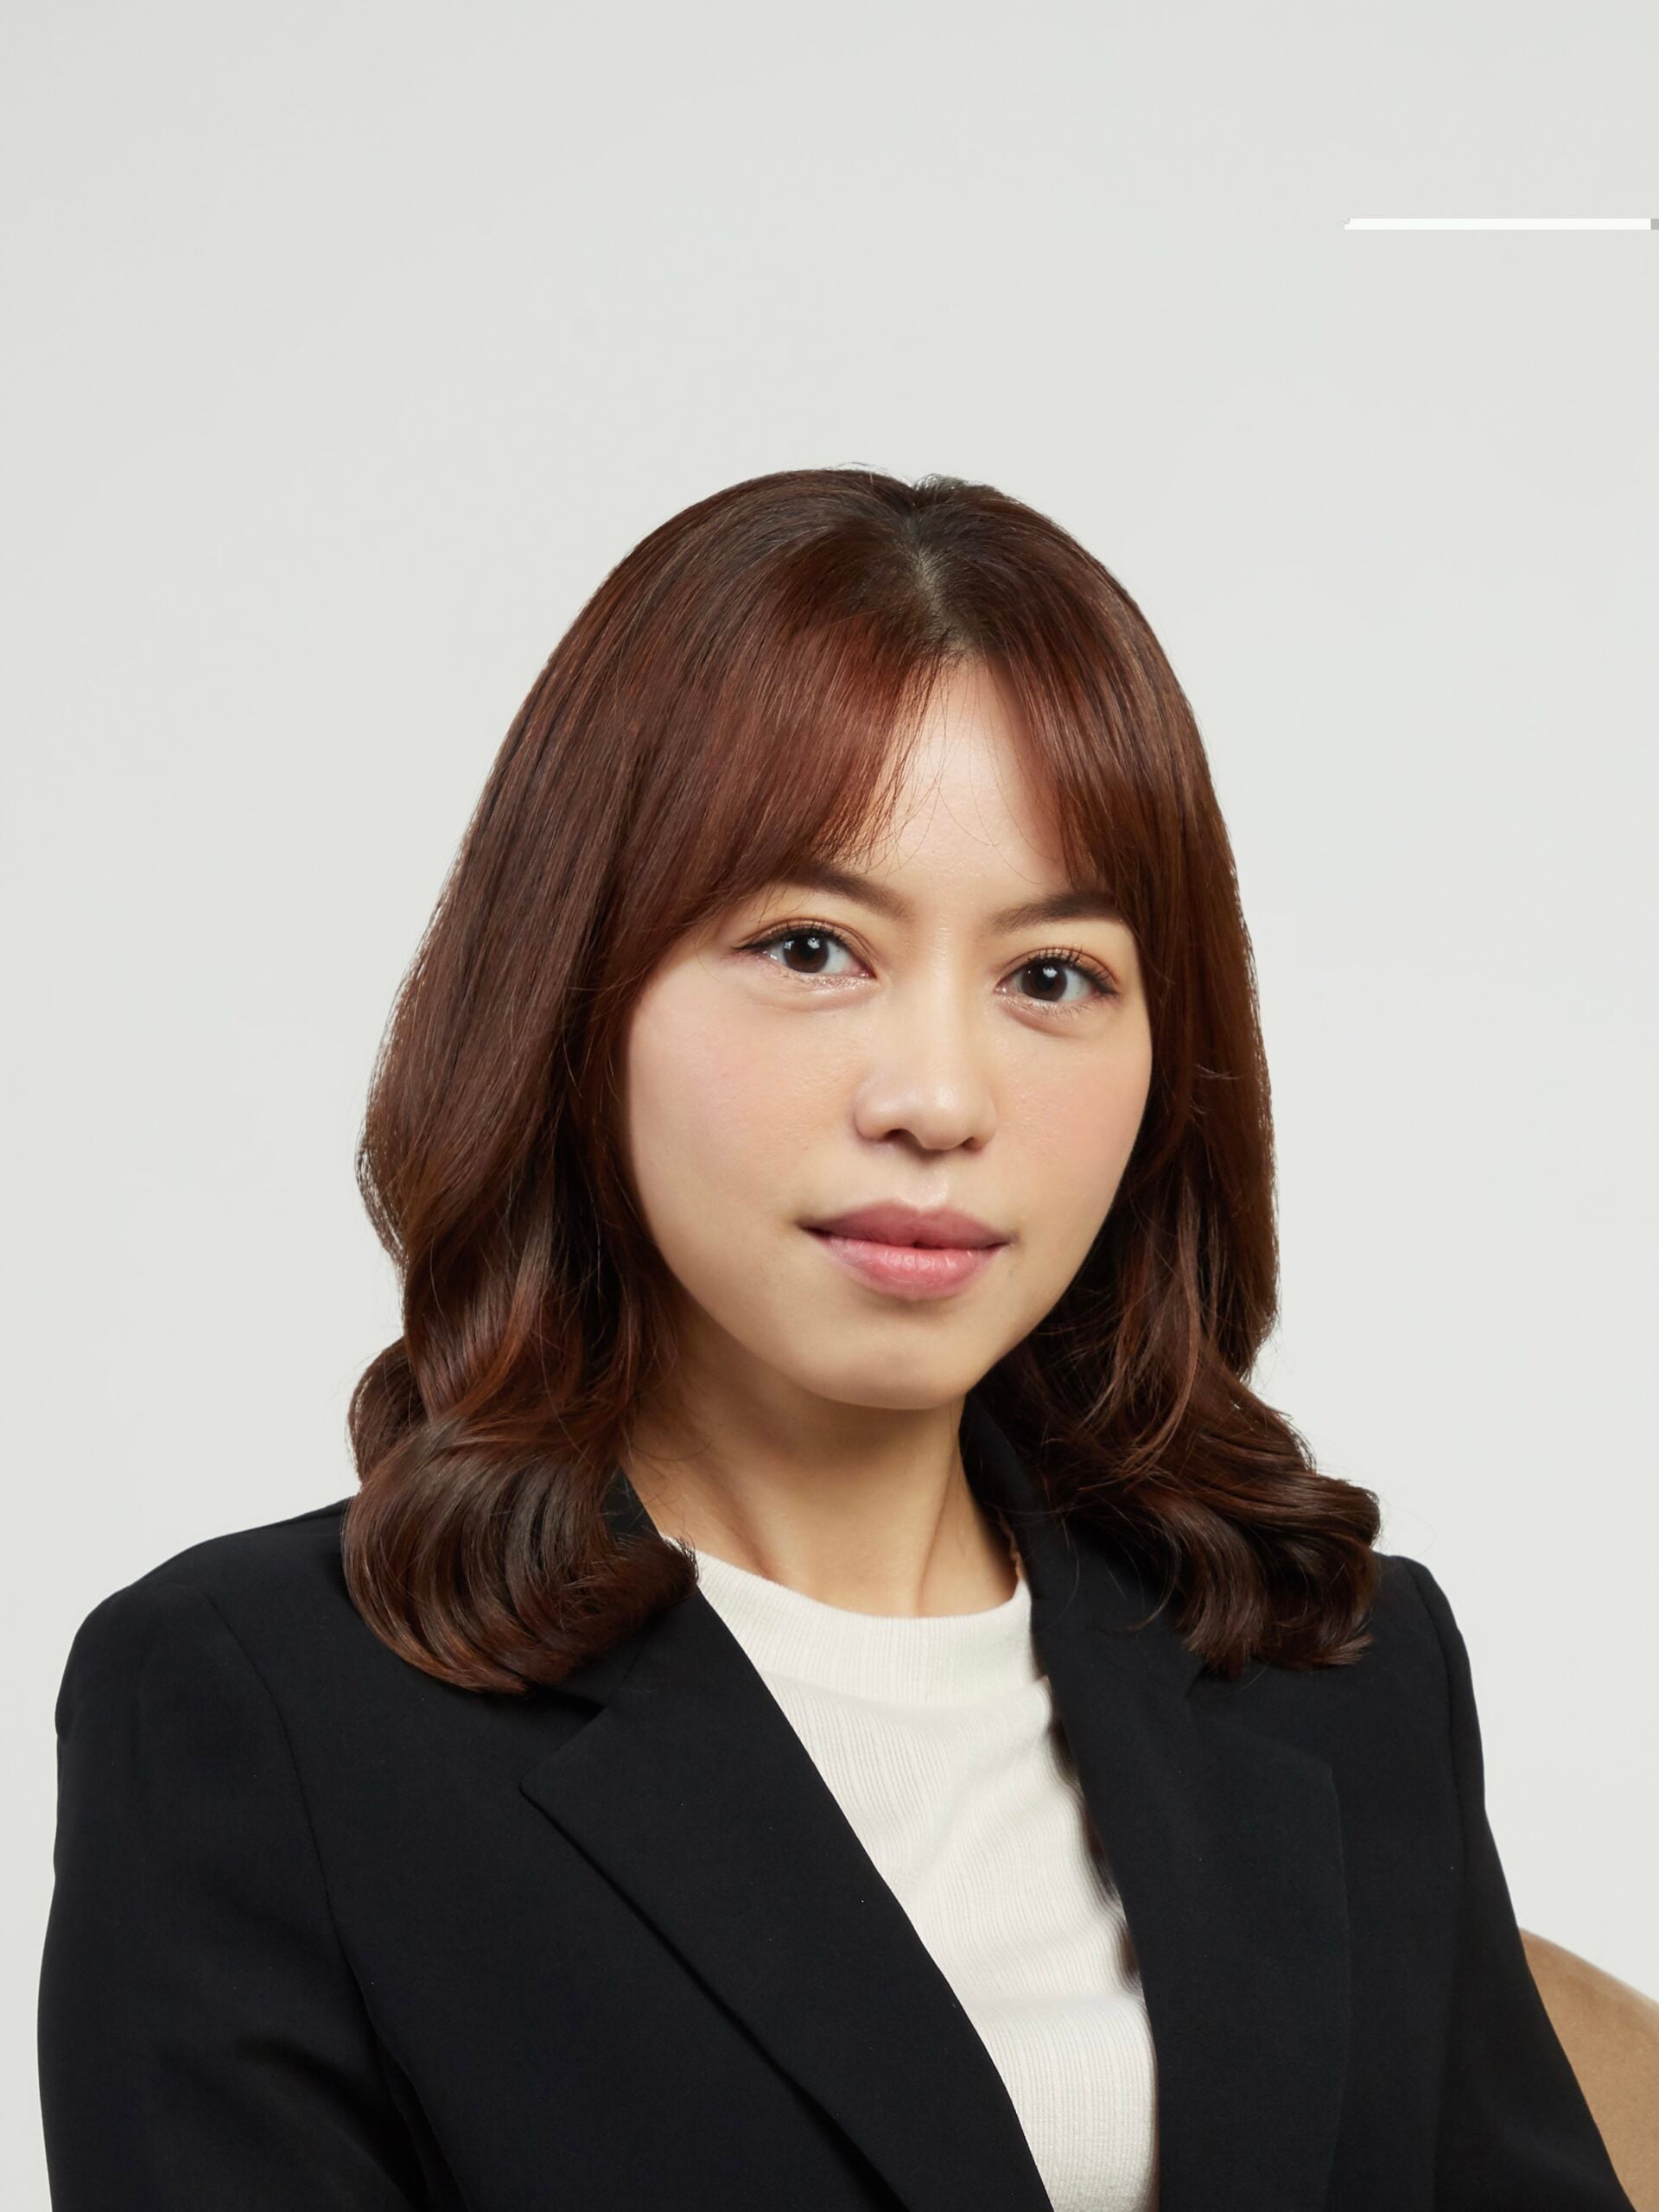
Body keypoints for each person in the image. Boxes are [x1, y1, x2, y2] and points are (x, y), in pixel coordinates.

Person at [36, 469, 1634, 2211]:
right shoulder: (257, 1711)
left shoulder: (1344, 1670)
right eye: (813, 946)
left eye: (1054, 976)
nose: (939, 1096)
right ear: (578, 994)